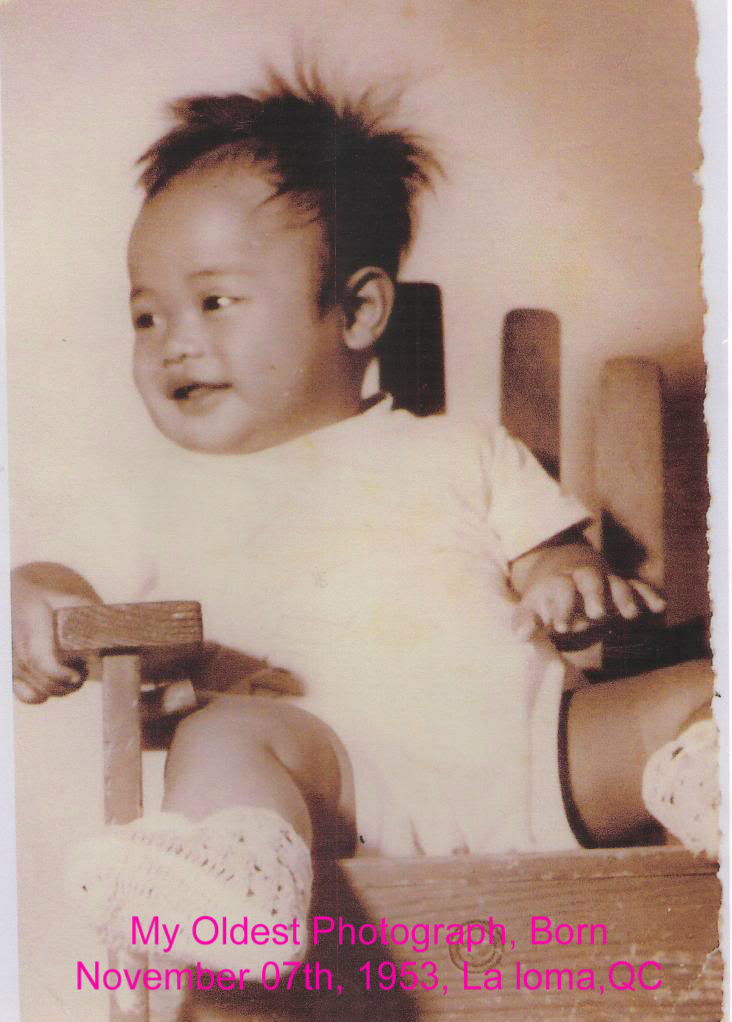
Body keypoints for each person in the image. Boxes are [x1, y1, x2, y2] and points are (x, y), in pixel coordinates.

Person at [10, 71, 716, 975]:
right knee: (218, 737)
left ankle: (706, 782)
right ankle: (240, 893)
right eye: (147, 316)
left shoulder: (462, 450)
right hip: (334, 784)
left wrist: (566, 580)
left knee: (698, 692)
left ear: (357, 310)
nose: (173, 341)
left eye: (215, 301)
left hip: (536, 759)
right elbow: (76, 581)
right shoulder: (161, 494)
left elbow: (552, 553)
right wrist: (40, 594)